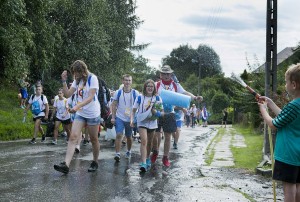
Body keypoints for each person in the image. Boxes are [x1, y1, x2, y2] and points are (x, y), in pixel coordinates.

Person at [258, 63, 300, 202]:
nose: (285, 85)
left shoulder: (293, 106)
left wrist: (263, 109)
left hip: (288, 154)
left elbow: (273, 124)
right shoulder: (296, 107)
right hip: (298, 155)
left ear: (293, 85)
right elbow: (285, 118)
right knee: (298, 187)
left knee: (289, 188)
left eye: (286, 82)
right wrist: (270, 104)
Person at [54, 60, 100, 174]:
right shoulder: (77, 80)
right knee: (73, 136)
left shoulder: (92, 78)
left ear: (83, 71)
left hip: (93, 113)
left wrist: (77, 106)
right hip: (80, 112)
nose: (75, 75)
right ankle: (66, 165)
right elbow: (68, 94)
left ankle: (95, 162)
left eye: (77, 73)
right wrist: (64, 81)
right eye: (74, 73)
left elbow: (90, 97)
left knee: (94, 139)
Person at [151, 65, 203, 167]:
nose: (166, 75)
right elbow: (147, 94)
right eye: (164, 73)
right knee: (156, 135)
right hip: (157, 112)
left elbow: (185, 93)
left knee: (167, 136)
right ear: (160, 75)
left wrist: (195, 97)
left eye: (168, 74)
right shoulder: (156, 84)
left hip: (170, 113)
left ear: (171, 74)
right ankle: (155, 151)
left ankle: (165, 157)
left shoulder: (175, 85)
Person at [130, 79, 163, 172]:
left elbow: (161, 112)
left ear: (154, 88)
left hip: (152, 123)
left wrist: (156, 112)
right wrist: (132, 120)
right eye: (148, 86)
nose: (150, 88)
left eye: (152, 86)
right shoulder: (140, 97)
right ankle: (143, 162)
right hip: (142, 122)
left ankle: (148, 157)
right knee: (144, 141)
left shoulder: (157, 98)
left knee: (149, 143)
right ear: (145, 87)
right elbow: (133, 110)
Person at [111, 74, 139, 162]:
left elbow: (139, 105)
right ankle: (117, 153)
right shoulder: (118, 92)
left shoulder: (135, 93)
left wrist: (136, 118)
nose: (127, 82)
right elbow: (114, 104)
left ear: (131, 82)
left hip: (130, 118)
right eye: (126, 80)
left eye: (129, 80)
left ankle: (128, 151)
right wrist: (113, 117)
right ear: (122, 81)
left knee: (129, 136)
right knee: (119, 135)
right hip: (120, 117)